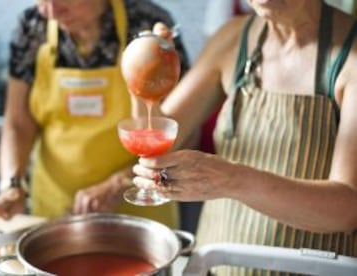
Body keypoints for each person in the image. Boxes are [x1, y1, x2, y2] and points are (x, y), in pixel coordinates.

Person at [132, 0, 357, 274]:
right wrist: (144, 74)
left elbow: (347, 210)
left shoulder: (350, 56)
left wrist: (230, 179)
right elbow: (155, 134)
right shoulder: (233, 38)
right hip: (216, 265)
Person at [0, 0, 189, 231]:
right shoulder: (32, 26)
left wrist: (120, 183)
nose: (51, 11)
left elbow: (183, 130)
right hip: (57, 210)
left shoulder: (145, 24)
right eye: (42, 1)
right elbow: (18, 123)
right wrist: (12, 186)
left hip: (142, 211)